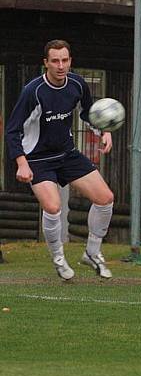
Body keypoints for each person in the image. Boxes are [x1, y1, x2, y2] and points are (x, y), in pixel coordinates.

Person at [4, 40, 115, 280]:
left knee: (105, 198)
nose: (60, 65)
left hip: (67, 154)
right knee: (53, 207)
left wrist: (104, 131)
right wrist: (21, 162)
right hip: (37, 159)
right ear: (46, 63)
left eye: (64, 60)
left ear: (70, 61)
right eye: (55, 61)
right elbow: (12, 130)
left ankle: (92, 253)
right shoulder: (32, 92)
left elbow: (88, 113)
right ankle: (59, 259)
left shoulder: (77, 84)